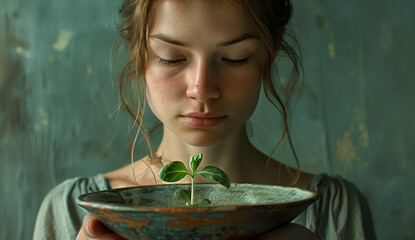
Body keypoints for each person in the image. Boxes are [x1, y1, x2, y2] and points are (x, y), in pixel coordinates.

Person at [33, 0, 376, 239]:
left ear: (270, 52)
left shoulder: (334, 211)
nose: (202, 89)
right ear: (138, 53)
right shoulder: (69, 212)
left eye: (235, 58)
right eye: (171, 58)